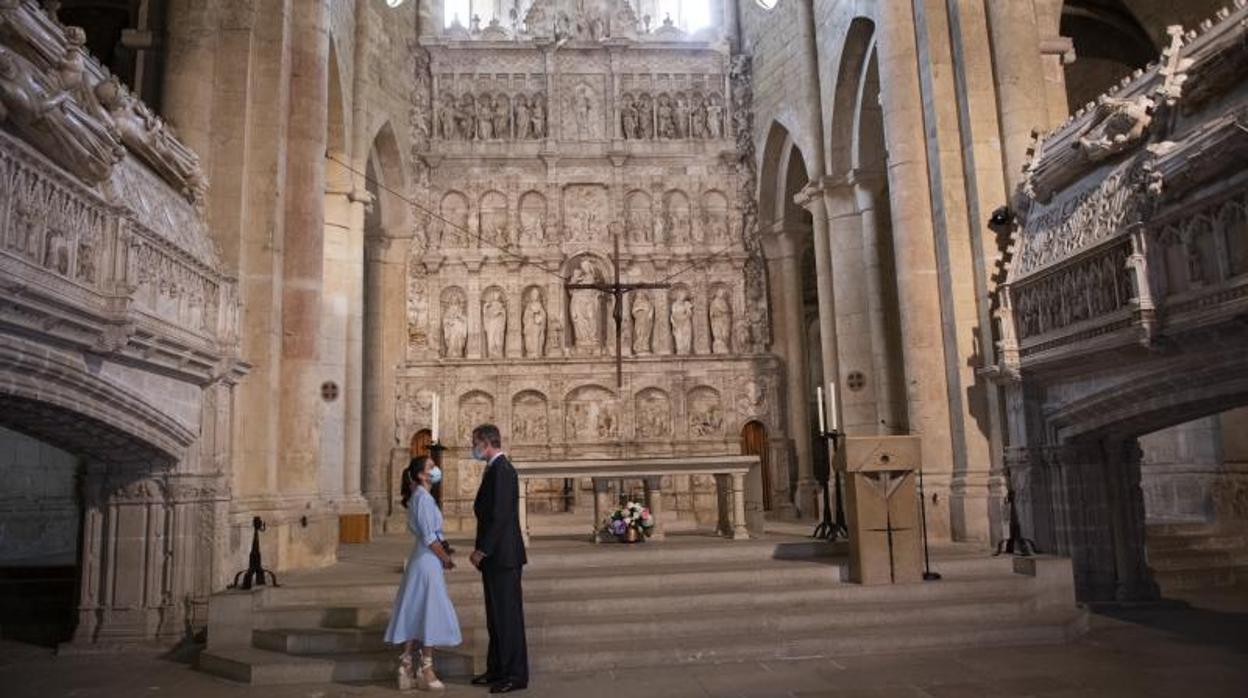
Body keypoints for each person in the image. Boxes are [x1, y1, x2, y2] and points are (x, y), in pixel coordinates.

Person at [384, 456, 461, 691]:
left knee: (415, 608)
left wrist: (444, 547)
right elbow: (430, 538)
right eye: (431, 467)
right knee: (430, 611)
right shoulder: (424, 499)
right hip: (427, 561)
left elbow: (431, 534)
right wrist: (445, 558)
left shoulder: (420, 497)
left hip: (422, 559)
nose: (435, 470)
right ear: (420, 475)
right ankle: (426, 670)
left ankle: (406, 665)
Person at [469, 424, 529, 693]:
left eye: (475, 443)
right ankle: (497, 668)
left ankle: (515, 674)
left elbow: (501, 515)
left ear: (486, 442)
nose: (473, 448)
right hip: (497, 558)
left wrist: (483, 550)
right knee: (495, 617)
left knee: (508, 618)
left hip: (502, 556)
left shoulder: (503, 470)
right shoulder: (494, 469)